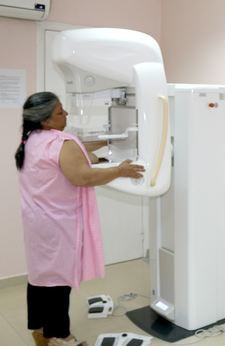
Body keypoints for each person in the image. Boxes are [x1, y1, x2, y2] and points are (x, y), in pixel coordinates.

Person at [15, 92, 145, 346]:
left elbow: (77, 151)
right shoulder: (61, 142)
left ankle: (40, 330)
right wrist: (119, 170)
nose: (66, 114)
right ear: (46, 121)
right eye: (60, 112)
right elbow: (83, 177)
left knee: (40, 276)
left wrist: (115, 141)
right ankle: (62, 337)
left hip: (37, 221)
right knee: (58, 281)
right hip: (57, 223)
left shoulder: (33, 138)